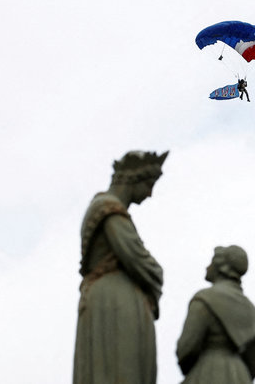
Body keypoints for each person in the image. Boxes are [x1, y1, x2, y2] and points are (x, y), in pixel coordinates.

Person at [73, 150, 168, 384]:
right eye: (148, 184)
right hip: (113, 302)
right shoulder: (109, 210)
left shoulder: (107, 209)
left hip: (107, 298)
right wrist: (157, 273)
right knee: (114, 369)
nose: (150, 194)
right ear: (133, 179)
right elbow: (139, 260)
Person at [177, 245, 255, 384]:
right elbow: (252, 364)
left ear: (221, 267)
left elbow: (186, 350)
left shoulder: (204, 299)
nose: (207, 267)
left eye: (211, 262)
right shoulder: (252, 311)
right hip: (240, 377)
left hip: (208, 372)